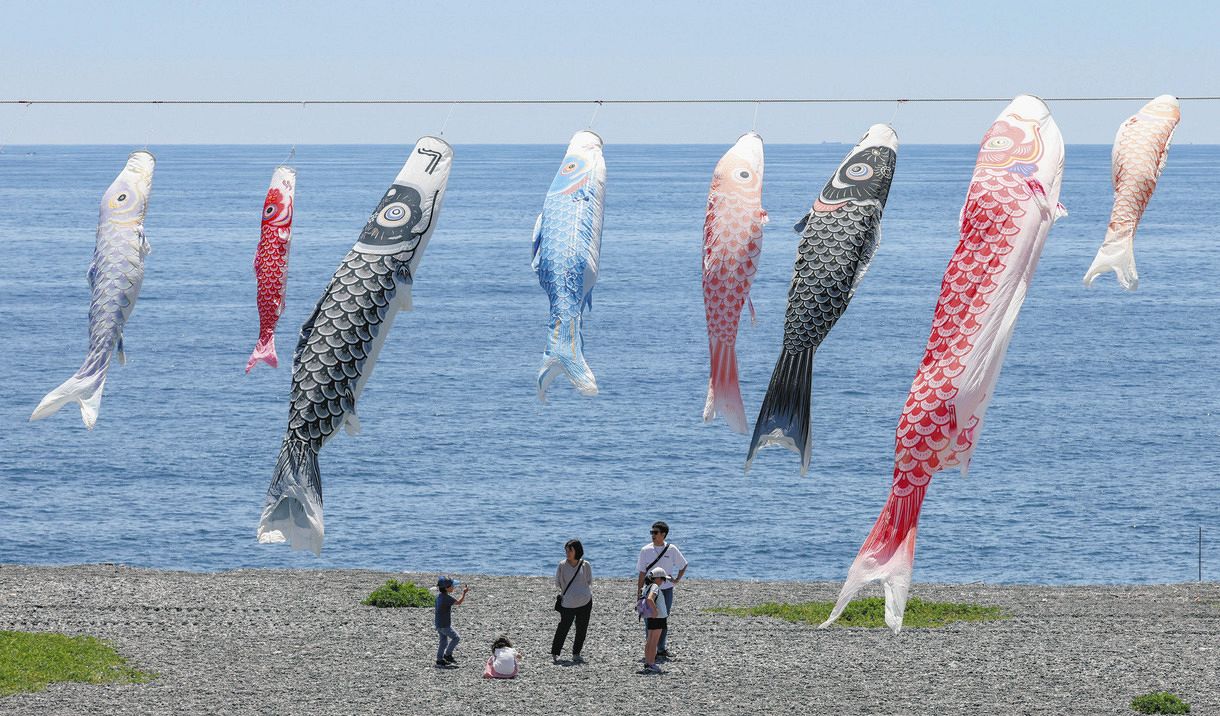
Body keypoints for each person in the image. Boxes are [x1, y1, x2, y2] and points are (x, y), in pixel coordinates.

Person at [635, 521, 687, 658]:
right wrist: (639, 592)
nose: (652, 535)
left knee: (663, 618)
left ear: (663, 534)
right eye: (651, 532)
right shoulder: (645, 550)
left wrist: (676, 580)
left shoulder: (671, 549)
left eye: (655, 532)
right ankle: (650, 649)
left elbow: (683, 564)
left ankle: (661, 648)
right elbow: (641, 573)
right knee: (649, 618)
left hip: (666, 589)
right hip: (649, 589)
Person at [552, 538, 592, 663]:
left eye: (570, 550)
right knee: (563, 627)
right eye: (566, 550)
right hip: (568, 603)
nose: (567, 553)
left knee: (582, 629)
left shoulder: (585, 565)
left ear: (577, 551)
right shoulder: (562, 565)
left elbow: (589, 580)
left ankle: (576, 653)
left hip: (585, 602)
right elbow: (557, 583)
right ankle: (555, 653)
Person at [638, 566, 670, 674]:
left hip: (650, 617)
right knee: (654, 641)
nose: (662, 581)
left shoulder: (647, 586)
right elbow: (650, 599)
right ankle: (651, 663)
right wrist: (655, 611)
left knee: (650, 640)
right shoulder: (655, 586)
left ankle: (648, 662)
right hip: (658, 617)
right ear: (657, 578)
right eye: (662, 579)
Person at [434, 575, 469, 669]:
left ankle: (439, 659)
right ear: (446, 588)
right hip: (445, 625)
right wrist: (464, 593)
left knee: (443, 642)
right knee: (456, 638)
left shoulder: (439, 597)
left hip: (438, 624)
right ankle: (447, 655)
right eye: (452, 586)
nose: (453, 587)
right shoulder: (446, 598)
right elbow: (458, 602)